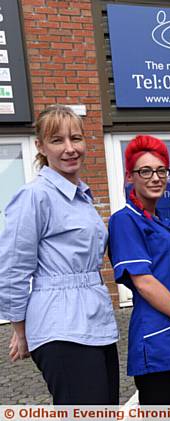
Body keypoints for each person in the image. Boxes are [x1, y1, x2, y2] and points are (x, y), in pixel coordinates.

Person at [0, 105, 119, 404]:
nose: (70, 149)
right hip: (61, 329)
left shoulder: (81, 197)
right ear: (40, 145)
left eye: (76, 139)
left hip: (95, 322)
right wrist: (21, 328)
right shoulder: (34, 195)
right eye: (57, 140)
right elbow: (12, 268)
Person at [108, 135, 170, 405]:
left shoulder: (167, 224)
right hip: (157, 337)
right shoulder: (125, 221)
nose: (155, 177)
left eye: (161, 170)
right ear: (129, 177)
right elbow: (144, 283)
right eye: (145, 171)